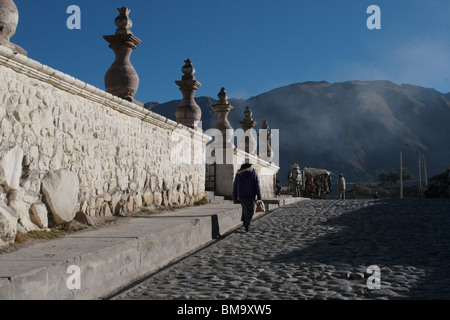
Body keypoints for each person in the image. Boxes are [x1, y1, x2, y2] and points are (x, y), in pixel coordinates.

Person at [233, 162, 262, 232]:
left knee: (245, 209)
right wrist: (259, 197)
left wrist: (235, 197)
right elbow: (257, 185)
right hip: (250, 195)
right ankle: (247, 225)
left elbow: (235, 186)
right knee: (250, 210)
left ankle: (245, 222)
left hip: (241, 195)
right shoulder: (253, 173)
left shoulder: (238, 173)